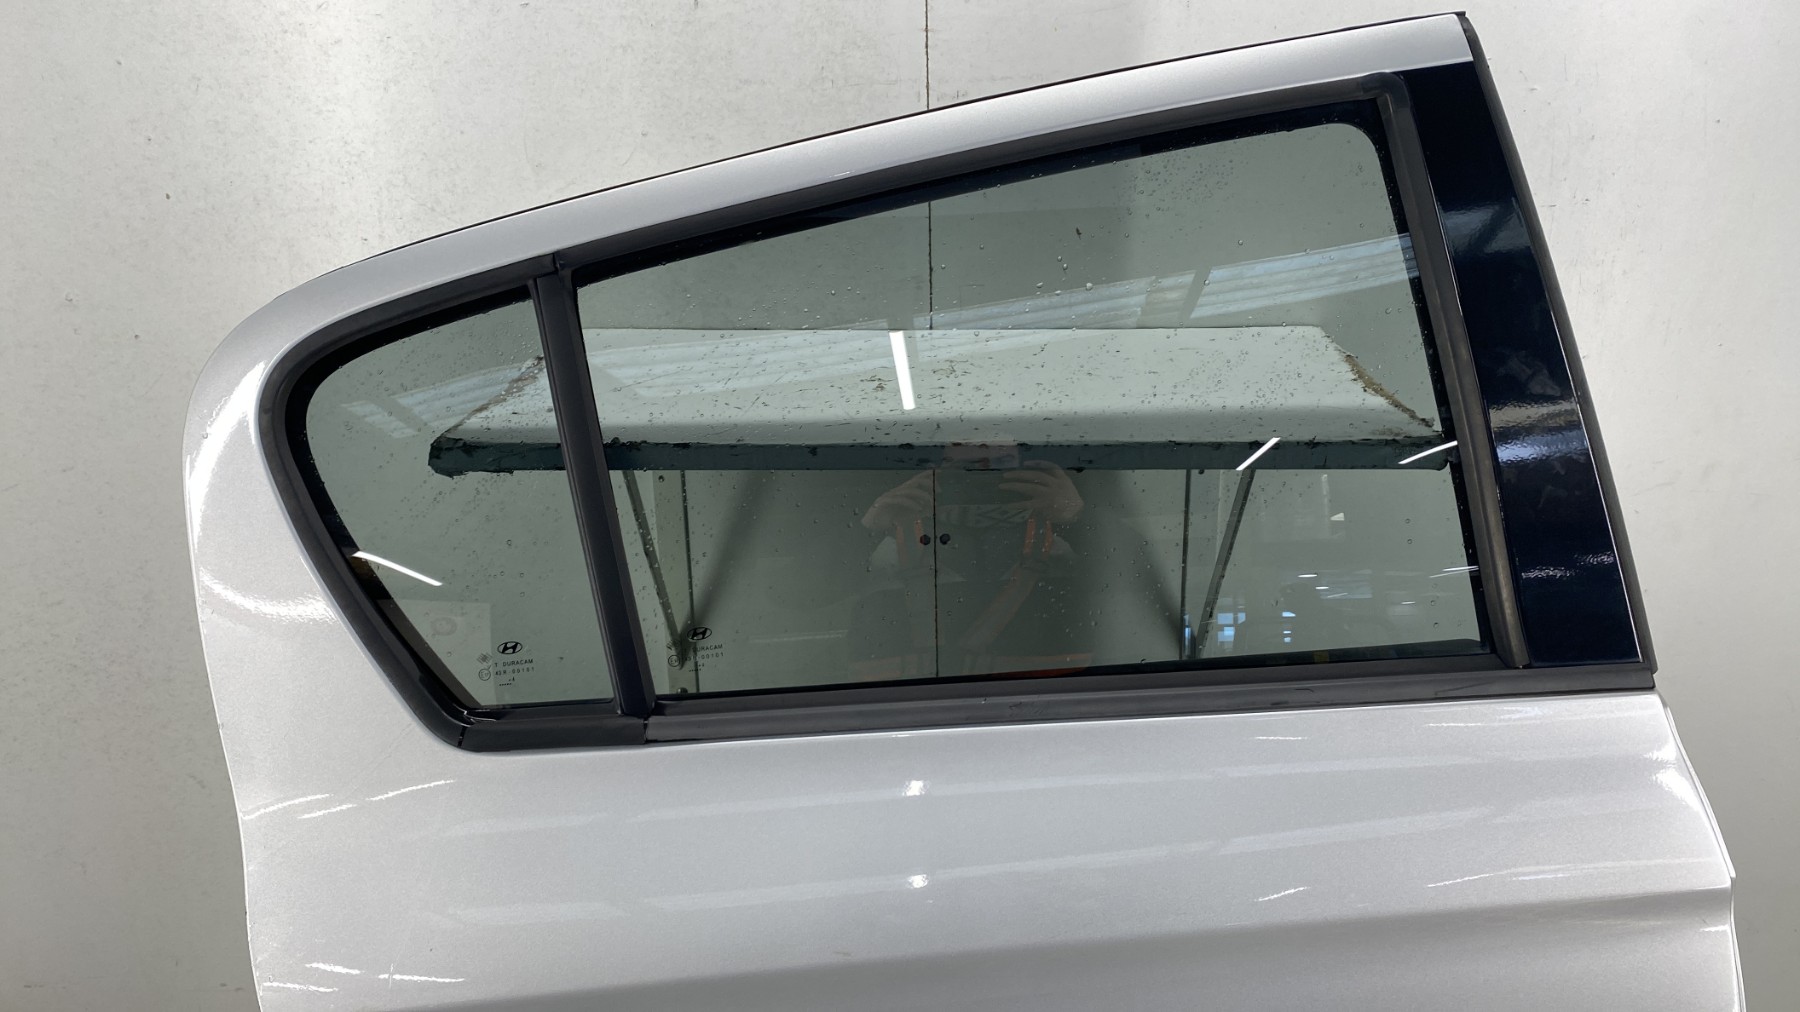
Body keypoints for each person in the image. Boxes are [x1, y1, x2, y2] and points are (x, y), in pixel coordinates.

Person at [847, 443, 1093, 680]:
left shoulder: (1065, 535)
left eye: (1001, 465)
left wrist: (1077, 518)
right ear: (936, 471)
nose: (983, 476)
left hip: (1059, 701)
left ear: (1025, 467)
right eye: (966, 467)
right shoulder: (891, 538)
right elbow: (824, 594)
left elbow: (1117, 584)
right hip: (904, 703)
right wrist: (871, 528)